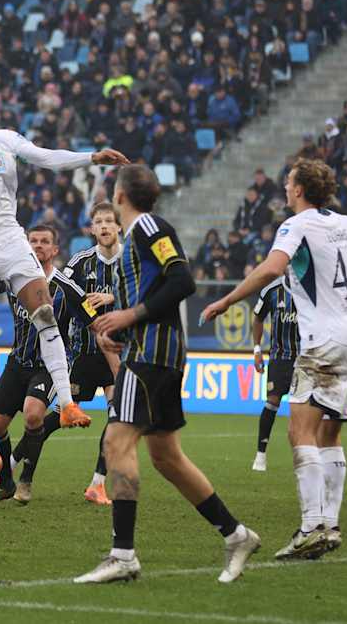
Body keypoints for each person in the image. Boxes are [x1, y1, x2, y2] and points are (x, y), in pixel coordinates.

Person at [202, 158, 347, 560]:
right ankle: (329, 526)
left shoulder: (296, 225)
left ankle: (311, 526)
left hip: (324, 339)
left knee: (300, 431)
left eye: (288, 183)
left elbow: (272, 268)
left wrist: (227, 300)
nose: (285, 188)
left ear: (298, 189)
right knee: (329, 433)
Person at [76, 165, 260, 586]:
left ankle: (123, 555)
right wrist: (121, 329)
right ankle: (236, 534)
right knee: (166, 457)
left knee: (116, 440)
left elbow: (182, 280)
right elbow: (159, 290)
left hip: (152, 354)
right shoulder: (138, 237)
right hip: (152, 349)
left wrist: (130, 316)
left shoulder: (148, 226)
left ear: (119, 195)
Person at [0, 96, 127, 465]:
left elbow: (45, 157)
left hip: (10, 237)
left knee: (44, 311)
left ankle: (66, 402)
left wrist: (91, 157)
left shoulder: (4, 140)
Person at [0, 225, 98, 505]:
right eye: (33, 241)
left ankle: (26, 481)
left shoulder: (67, 288)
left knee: (33, 416)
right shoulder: (13, 279)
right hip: (17, 361)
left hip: (48, 367)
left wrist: (112, 340)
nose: (38, 245)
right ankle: (6, 482)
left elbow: (93, 320)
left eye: (45, 242)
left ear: (55, 250)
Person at [64, 202, 124, 504]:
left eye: (109, 221)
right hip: (84, 353)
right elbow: (61, 293)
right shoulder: (80, 262)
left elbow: (149, 294)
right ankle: (15, 468)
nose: (104, 226)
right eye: (98, 222)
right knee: (56, 418)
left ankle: (97, 484)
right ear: (91, 229)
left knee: (118, 417)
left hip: (119, 353)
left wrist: (113, 297)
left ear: (119, 226)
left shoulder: (133, 261)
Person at [249, 275, 300, 473]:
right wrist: (257, 350)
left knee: (302, 409)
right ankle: (260, 454)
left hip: (305, 358)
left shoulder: (313, 287)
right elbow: (258, 318)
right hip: (279, 358)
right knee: (272, 401)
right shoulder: (271, 291)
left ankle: (303, 458)